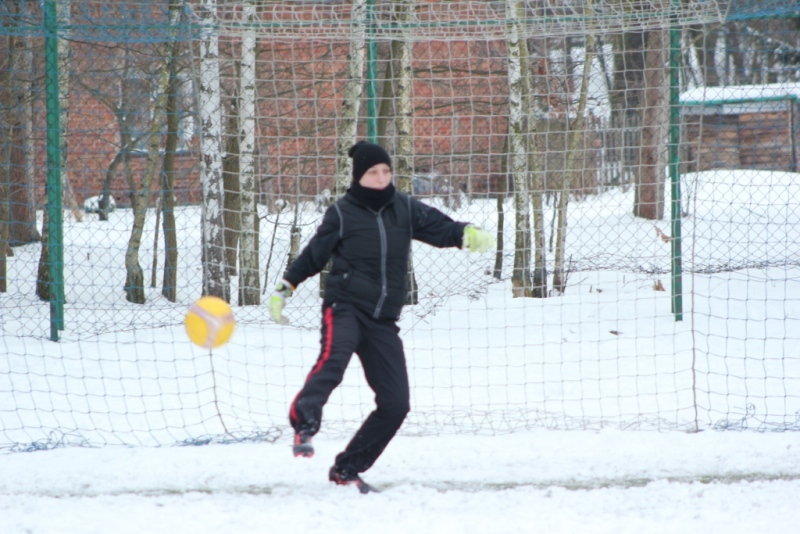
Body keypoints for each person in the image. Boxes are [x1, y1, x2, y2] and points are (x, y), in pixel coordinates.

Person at [269, 141, 493, 493]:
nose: (381, 177)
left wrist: (465, 232)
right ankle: (304, 423)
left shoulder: (403, 207)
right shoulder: (342, 213)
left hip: (382, 320)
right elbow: (315, 254)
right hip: (344, 306)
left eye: (386, 171)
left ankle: (347, 469)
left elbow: (439, 227)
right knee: (334, 359)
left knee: (396, 403)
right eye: (373, 172)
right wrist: (286, 287)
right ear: (360, 176)